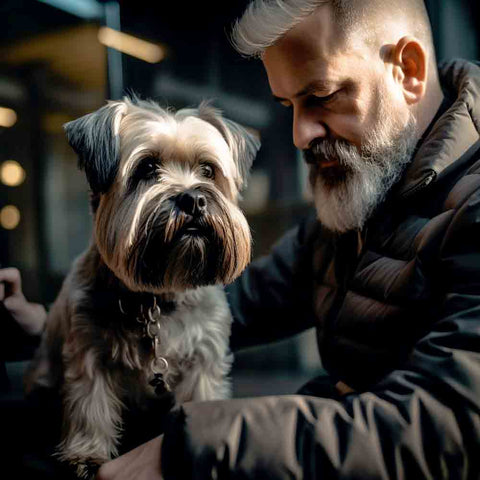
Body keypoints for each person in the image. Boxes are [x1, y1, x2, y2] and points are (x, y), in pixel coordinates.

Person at [9, 0, 480, 477]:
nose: (299, 135)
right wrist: (50, 326)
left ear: (408, 70)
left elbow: (447, 426)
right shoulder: (351, 211)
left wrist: (194, 445)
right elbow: (217, 304)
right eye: (289, 106)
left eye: (321, 95)